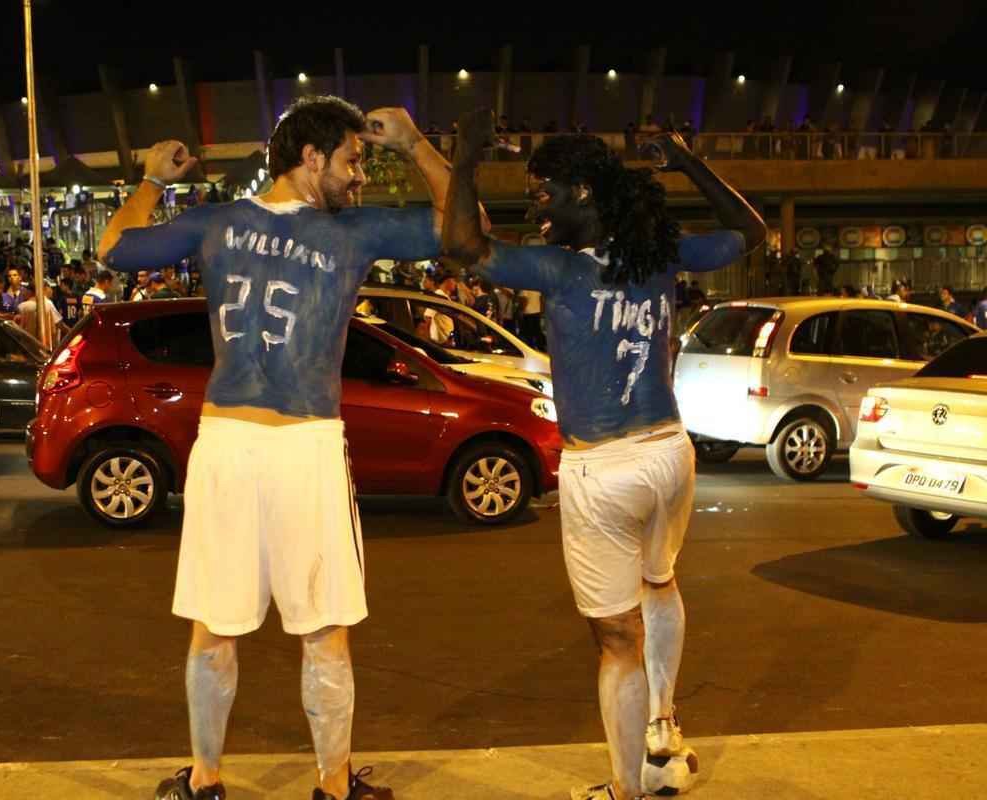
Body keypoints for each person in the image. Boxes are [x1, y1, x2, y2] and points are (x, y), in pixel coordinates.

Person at [97, 95, 457, 800]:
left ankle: (204, 783)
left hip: (227, 445)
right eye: (352, 161)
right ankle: (332, 785)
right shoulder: (350, 234)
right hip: (305, 445)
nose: (360, 177)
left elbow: (114, 247)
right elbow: (458, 226)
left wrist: (151, 180)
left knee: (214, 627)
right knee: (324, 631)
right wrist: (415, 146)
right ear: (311, 157)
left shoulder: (218, 224)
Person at [443, 109, 765, 800]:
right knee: (660, 584)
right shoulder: (658, 252)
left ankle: (625, 790)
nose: (537, 206)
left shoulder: (558, 269)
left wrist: (465, 162)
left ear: (584, 193)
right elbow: (752, 233)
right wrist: (688, 163)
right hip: (669, 453)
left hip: (604, 467)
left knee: (615, 642)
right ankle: (663, 725)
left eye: (544, 192)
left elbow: (463, 244)